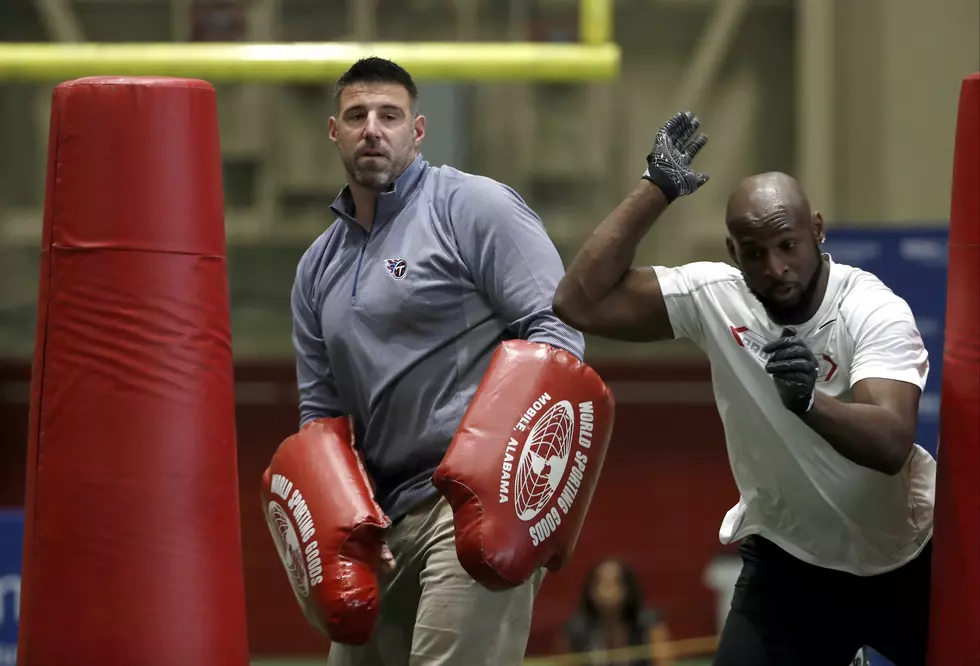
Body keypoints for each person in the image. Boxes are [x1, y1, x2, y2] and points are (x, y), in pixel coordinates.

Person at [552, 111, 935, 665]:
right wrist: (655, 189)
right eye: (755, 252)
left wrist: (808, 402)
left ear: (818, 231)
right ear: (734, 253)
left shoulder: (871, 309)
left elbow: (891, 442)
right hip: (790, 564)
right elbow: (577, 301)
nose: (776, 267)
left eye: (787, 245)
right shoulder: (715, 295)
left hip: (905, 560)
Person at [290, 56, 585, 665]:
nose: (373, 127)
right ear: (334, 131)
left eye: (389, 115)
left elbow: (556, 334)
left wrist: (524, 487)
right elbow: (321, 415)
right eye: (357, 115)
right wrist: (346, 523)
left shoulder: (474, 208)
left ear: (416, 130)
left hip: (471, 508)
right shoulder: (316, 269)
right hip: (377, 523)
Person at [559, 558, 675, 666]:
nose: (606, 591)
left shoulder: (650, 627)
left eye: (615, 583)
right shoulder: (575, 632)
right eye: (600, 583)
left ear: (628, 588)